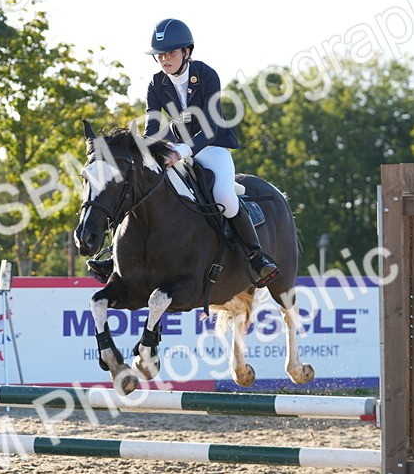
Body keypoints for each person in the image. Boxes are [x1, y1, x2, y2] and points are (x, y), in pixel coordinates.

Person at [86, 18, 279, 287]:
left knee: (224, 196)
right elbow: (153, 125)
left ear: (187, 52)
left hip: (210, 146)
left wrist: (181, 152)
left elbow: (211, 126)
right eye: (160, 55)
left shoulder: (207, 75)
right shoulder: (156, 84)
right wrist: (141, 149)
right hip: (175, 146)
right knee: (138, 186)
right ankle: (115, 257)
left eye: (171, 53)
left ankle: (255, 256)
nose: (165, 59)